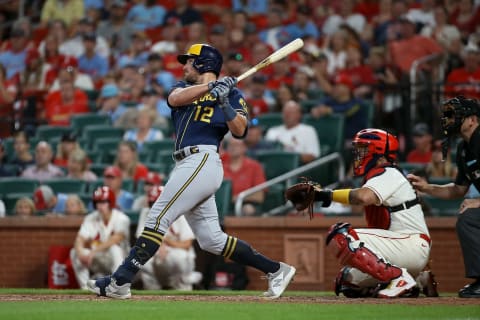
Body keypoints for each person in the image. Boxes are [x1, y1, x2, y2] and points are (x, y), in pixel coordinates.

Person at [86, 43, 296, 299]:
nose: (184, 66)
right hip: (187, 164)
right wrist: (210, 87)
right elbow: (174, 100)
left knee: (157, 218)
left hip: (202, 160)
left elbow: (240, 131)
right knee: (212, 240)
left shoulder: (231, 94)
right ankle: (276, 270)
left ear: (203, 64)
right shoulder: (183, 88)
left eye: (189, 61)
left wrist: (224, 102)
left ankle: (119, 282)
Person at [291, 128, 434, 298]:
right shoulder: (378, 176)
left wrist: (324, 195)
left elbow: (363, 197)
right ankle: (416, 279)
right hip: (400, 249)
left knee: (341, 235)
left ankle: (398, 277)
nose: (359, 154)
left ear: (379, 153)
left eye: (363, 149)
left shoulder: (389, 172)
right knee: (346, 281)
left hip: (410, 244)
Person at [408, 96, 480, 298]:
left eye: (456, 115)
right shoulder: (465, 148)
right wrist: (427, 187)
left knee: (470, 219)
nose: (449, 119)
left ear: (472, 119)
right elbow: (458, 190)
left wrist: (478, 201)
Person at [136, 185, 202, 290]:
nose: (155, 207)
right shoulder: (146, 213)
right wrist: (160, 245)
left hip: (179, 253)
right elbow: (142, 240)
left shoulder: (181, 213)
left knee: (179, 257)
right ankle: (152, 291)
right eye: (152, 203)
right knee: (140, 256)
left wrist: (165, 241)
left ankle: (183, 286)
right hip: (157, 250)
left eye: (157, 203)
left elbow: (187, 244)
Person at [70, 186, 130, 290]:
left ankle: (118, 287)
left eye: (103, 202)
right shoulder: (91, 218)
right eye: (97, 202)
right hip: (99, 258)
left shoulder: (122, 218)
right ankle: (85, 288)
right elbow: (80, 239)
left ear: (111, 203)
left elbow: (116, 238)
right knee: (74, 252)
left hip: (123, 263)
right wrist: (80, 252)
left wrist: (93, 251)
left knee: (114, 248)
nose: (100, 206)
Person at [265, 100, 321, 164]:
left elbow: (313, 156)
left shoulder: (308, 130)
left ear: (299, 115)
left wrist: (290, 158)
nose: (287, 115)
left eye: (291, 112)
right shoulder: (272, 131)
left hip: (298, 168)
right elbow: (266, 154)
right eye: (285, 112)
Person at [222, 138, 266, 216]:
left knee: (248, 209)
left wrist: (237, 198)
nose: (233, 147)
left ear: (244, 148)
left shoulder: (254, 166)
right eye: (230, 145)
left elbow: (259, 196)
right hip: (220, 205)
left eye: (236, 145)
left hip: (243, 205)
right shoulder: (220, 165)